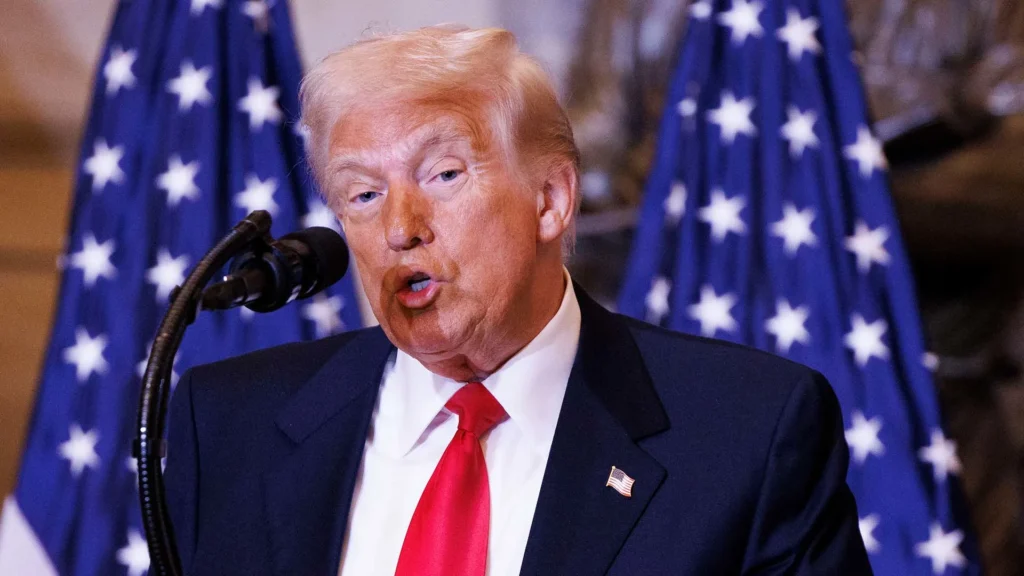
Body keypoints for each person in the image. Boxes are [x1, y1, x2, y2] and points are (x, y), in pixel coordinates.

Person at [165, 25, 872, 576]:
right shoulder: (230, 425)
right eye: (363, 195)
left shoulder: (747, 432)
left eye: (443, 174)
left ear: (551, 200)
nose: (401, 227)